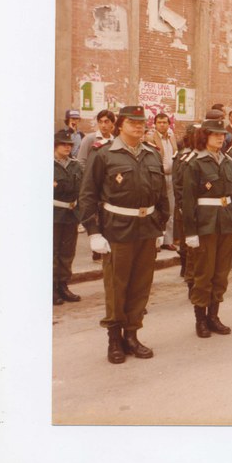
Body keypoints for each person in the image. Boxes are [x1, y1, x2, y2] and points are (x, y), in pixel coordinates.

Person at [78, 105, 170, 364]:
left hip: (147, 229)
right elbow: (88, 195)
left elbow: (162, 195)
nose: (139, 127)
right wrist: (94, 232)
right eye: (132, 122)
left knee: (141, 286)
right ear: (120, 125)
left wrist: (160, 226)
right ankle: (114, 339)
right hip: (117, 229)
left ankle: (132, 335)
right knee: (117, 287)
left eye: (142, 123)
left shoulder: (152, 154)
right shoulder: (104, 154)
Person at [182, 119, 232, 337]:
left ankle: (214, 316)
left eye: (222, 134)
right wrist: (190, 232)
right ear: (204, 136)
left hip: (226, 222)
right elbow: (187, 200)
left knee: (220, 273)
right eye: (215, 134)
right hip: (205, 224)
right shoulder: (194, 162)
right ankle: (200, 319)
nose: (220, 137)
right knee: (203, 273)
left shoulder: (227, 161)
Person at [53, 129, 84, 305]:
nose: (67, 147)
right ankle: (51, 288)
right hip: (53, 215)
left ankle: (63, 285)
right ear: (55, 145)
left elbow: (81, 190)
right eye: (63, 144)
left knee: (67, 253)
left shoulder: (75, 165)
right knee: (53, 253)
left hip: (71, 215)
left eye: (69, 145)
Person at [173, 124, 198, 292]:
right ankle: (188, 276)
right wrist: (183, 206)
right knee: (187, 244)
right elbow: (178, 184)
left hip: (201, 209)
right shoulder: (183, 157)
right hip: (185, 207)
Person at [152, 112, 178, 250]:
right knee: (157, 209)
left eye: (165, 122)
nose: (162, 125)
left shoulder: (172, 138)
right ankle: (156, 241)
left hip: (171, 176)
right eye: (159, 122)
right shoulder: (150, 138)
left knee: (171, 209)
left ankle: (168, 240)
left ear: (169, 124)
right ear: (155, 124)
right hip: (158, 177)